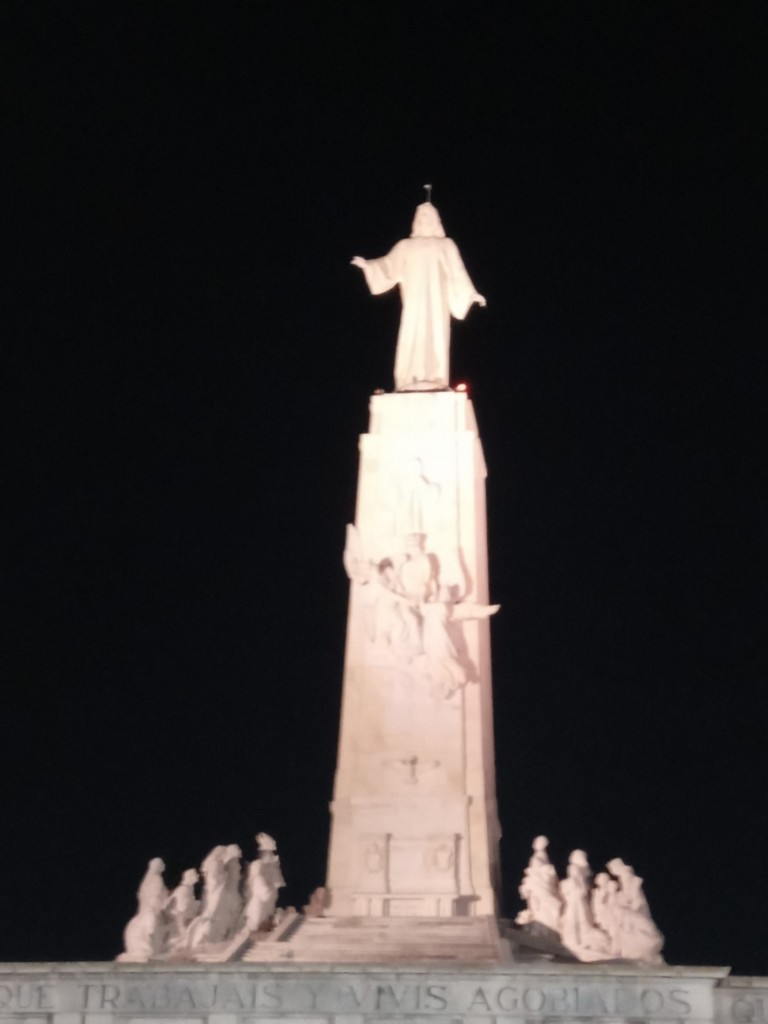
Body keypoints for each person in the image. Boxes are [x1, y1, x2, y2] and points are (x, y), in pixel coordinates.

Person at [352, 202, 485, 391]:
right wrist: (368, 266)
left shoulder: (445, 245)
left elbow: (457, 272)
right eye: (420, 216)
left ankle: (436, 378)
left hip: (437, 303)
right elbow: (389, 265)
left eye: (427, 216)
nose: (424, 220)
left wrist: (470, 293)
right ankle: (409, 378)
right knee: (412, 334)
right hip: (414, 302)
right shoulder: (405, 246)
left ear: (435, 220)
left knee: (436, 335)